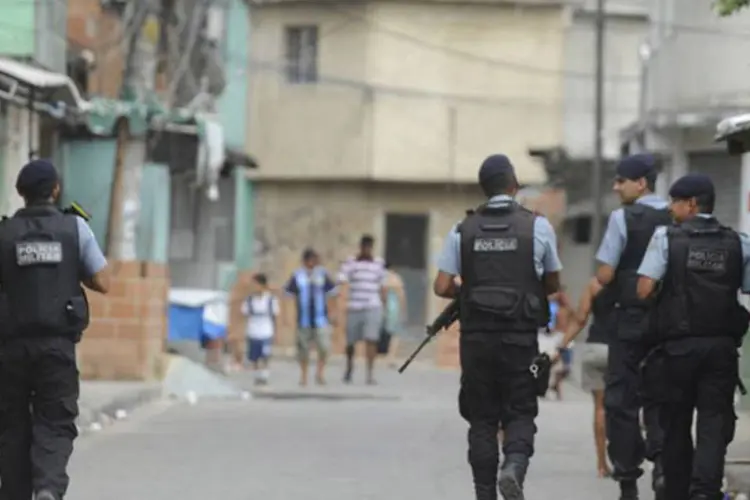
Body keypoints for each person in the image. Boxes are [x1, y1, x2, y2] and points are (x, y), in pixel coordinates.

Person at [434, 154, 565, 500]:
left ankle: (484, 493)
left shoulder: (462, 229)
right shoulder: (537, 226)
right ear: (513, 184)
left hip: (477, 339)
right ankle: (514, 467)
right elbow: (552, 283)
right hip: (519, 337)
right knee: (520, 410)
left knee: (482, 418)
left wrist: (471, 291)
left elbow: (442, 285)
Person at [0, 159, 110, 500]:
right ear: (56, 190)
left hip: (10, 348)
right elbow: (104, 282)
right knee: (55, 420)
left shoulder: (2, 233)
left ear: (20, 194)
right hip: (57, 348)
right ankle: (47, 488)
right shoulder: (75, 228)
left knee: (11, 426)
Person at [636, 174, 750, 500]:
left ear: (691, 204)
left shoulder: (666, 238)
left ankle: (676, 490)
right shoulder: (738, 242)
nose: (670, 209)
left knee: (675, 423)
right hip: (721, 349)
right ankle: (705, 492)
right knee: (714, 424)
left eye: (674, 202)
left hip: (678, 349)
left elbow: (643, 289)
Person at [592, 153, 670, 500]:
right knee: (663, 395)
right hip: (668, 322)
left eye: (621, 180)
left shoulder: (623, 217)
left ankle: (628, 480)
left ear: (641, 183)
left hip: (629, 320)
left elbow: (605, 274)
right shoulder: (676, 214)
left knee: (621, 401)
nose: (615, 186)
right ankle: (664, 464)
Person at [555, 277, 616, 478]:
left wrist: (562, 345)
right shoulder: (634, 280)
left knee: (599, 408)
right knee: (626, 407)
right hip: (623, 350)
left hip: (595, 347)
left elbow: (581, 318)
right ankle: (624, 459)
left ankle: (601, 464)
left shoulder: (594, 284)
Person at [283, 248, 338, 387]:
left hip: (321, 319)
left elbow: (332, 294)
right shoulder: (297, 276)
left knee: (324, 347)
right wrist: (288, 318)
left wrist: (333, 313)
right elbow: (288, 296)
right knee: (303, 350)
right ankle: (304, 376)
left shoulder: (322, 275)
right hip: (304, 319)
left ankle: (319, 373)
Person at [339, 235, 387, 385]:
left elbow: (383, 285)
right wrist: (342, 302)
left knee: (371, 340)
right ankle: (349, 367)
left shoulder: (378, 264)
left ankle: (370, 373)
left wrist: (383, 306)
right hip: (354, 306)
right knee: (350, 341)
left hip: (373, 306)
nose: (366, 249)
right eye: (364, 246)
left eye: (369, 246)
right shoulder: (351, 263)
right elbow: (342, 280)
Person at [241, 273, 280, 385]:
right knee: (255, 357)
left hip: (266, 331)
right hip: (253, 331)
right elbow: (244, 315)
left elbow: (275, 316)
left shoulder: (271, 300)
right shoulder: (249, 300)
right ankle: (257, 376)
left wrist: (276, 333)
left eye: (255, 284)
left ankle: (264, 375)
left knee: (265, 355)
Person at [382, 262, 407, 368]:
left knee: (385, 332)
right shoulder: (395, 278)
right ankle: (391, 357)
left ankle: (386, 356)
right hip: (394, 307)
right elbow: (401, 295)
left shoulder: (382, 278)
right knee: (395, 334)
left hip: (384, 306)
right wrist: (403, 310)